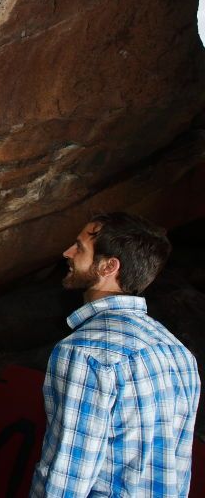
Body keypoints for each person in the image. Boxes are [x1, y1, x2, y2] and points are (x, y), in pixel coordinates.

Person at [31, 213, 200, 497]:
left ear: (109, 266)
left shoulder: (86, 352)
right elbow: (180, 465)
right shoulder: (179, 354)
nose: (67, 253)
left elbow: (67, 473)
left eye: (80, 247)